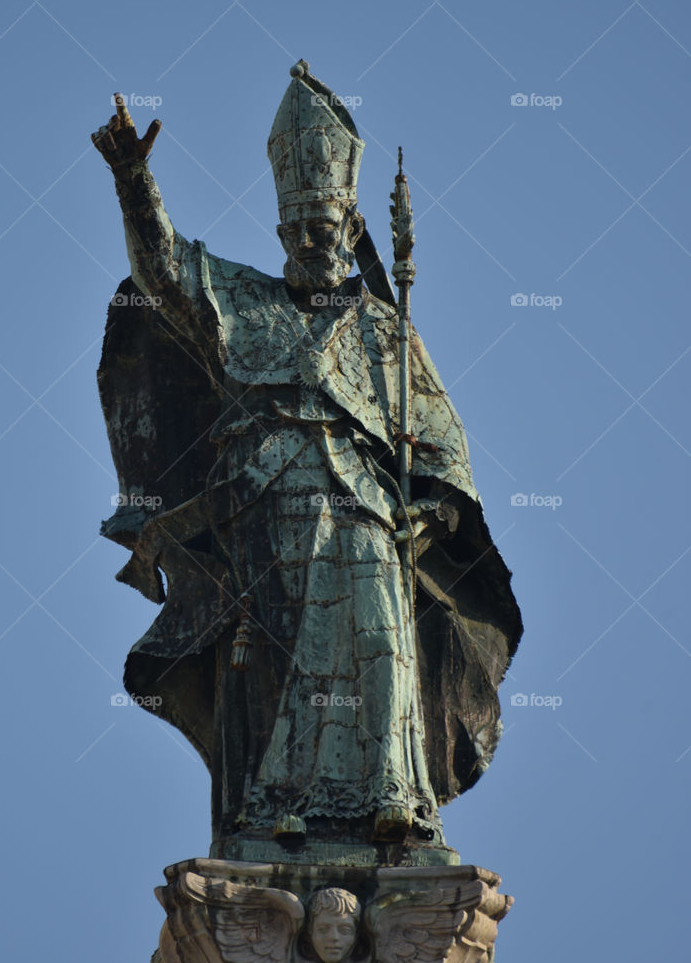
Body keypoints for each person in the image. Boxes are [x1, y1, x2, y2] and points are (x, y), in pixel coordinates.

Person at [92, 63, 521, 862]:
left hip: (366, 509)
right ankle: (275, 810)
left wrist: (438, 510)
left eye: (325, 232)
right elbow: (163, 269)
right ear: (282, 231)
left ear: (349, 225)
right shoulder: (242, 303)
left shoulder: (386, 332)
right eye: (296, 233)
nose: (309, 244)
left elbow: (439, 439)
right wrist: (132, 180)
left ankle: (395, 802)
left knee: (381, 645)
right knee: (273, 666)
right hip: (265, 512)